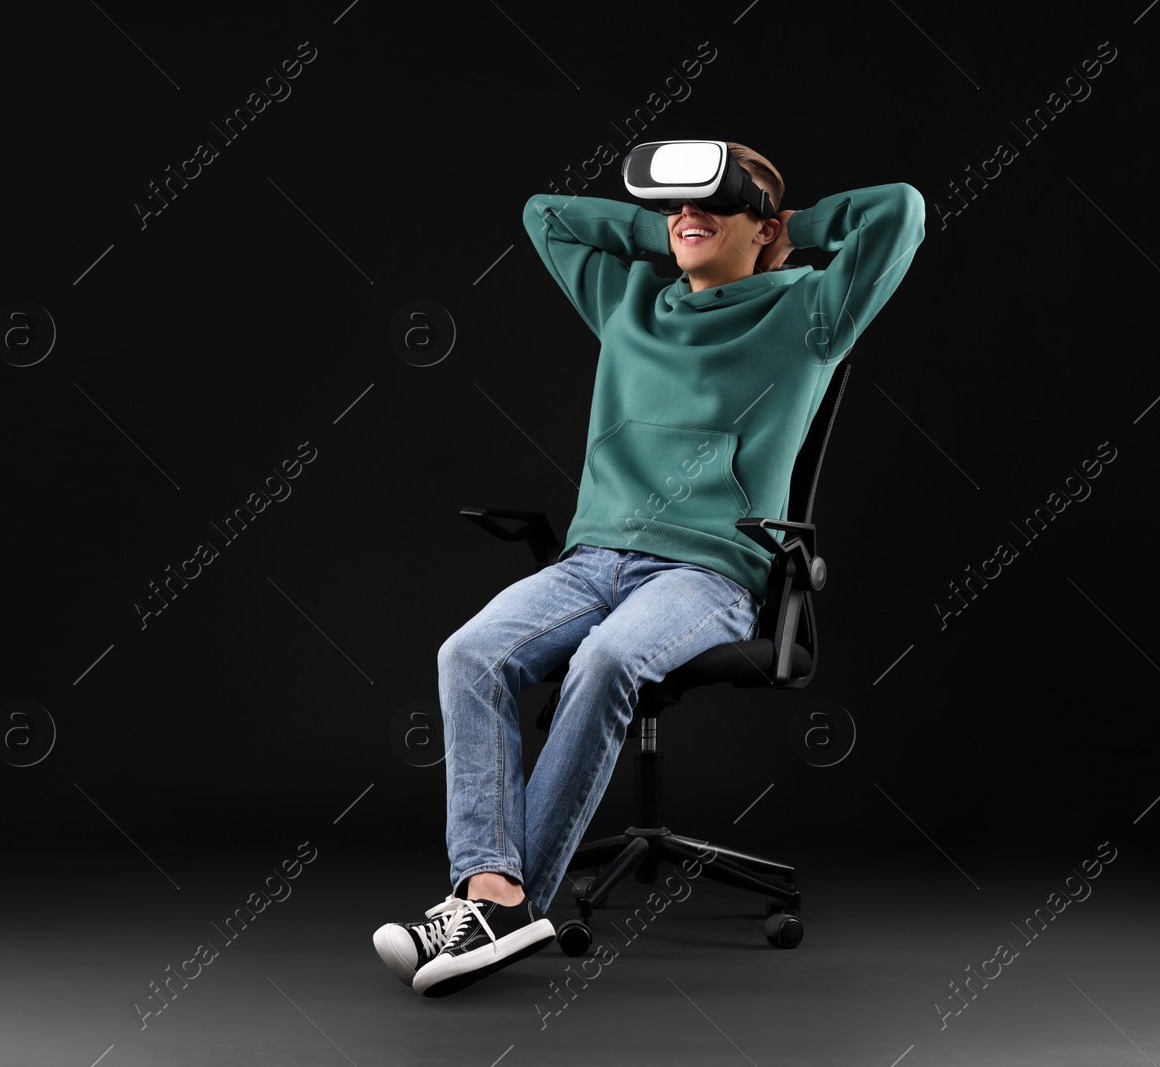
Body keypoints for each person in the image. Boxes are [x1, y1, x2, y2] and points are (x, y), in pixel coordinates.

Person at [373, 142, 925, 997]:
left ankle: (508, 908)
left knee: (607, 658)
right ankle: (488, 888)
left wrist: (782, 229)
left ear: (767, 228)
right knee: (467, 654)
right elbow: (543, 213)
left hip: (708, 574)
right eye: (674, 208)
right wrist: (689, 218)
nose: (685, 218)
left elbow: (902, 210)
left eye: (712, 206)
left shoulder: (810, 313)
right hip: (593, 558)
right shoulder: (628, 300)